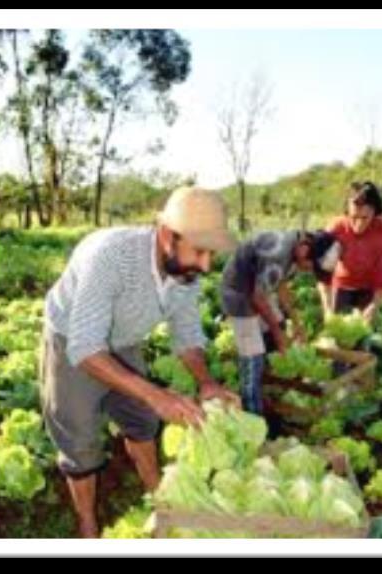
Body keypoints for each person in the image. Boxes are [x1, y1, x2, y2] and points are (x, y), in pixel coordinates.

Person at [41, 186, 240, 537]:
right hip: (72, 339)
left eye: (210, 253)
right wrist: (156, 394)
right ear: (167, 235)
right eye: (199, 251)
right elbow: (86, 347)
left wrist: (206, 382)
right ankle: (88, 523)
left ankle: (157, 494)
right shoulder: (111, 257)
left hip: (124, 339)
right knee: (80, 440)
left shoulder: (185, 272)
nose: (206, 264)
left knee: (143, 420)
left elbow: (188, 333)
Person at [221, 229, 341, 414]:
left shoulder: (295, 250)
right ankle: (254, 414)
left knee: (278, 326)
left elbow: (281, 286)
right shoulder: (279, 254)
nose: (309, 270)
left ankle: (268, 393)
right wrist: (278, 335)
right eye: (311, 266)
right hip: (238, 292)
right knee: (253, 356)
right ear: (304, 249)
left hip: (259, 289)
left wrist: (296, 321)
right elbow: (257, 297)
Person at [318, 181, 382, 323]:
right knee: (337, 331)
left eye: (365, 218)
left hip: (369, 289)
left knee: (364, 333)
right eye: (354, 217)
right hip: (341, 286)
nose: (358, 225)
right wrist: (327, 310)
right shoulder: (335, 228)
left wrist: (374, 306)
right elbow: (323, 272)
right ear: (347, 211)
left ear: (374, 212)